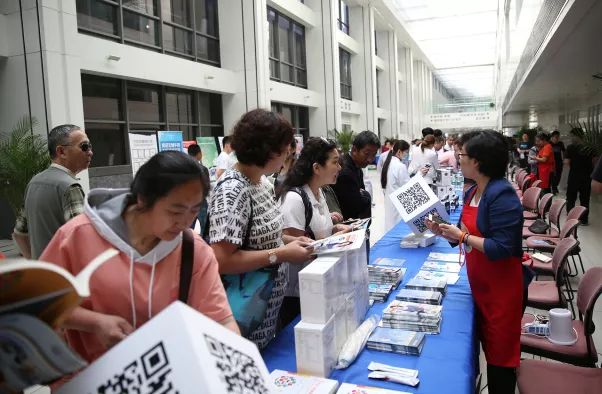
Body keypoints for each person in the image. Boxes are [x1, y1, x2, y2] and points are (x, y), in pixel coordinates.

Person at [39, 151, 238, 364]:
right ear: (143, 198)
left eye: (194, 211)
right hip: (88, 376)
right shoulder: (78, 236)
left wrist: (236, 360)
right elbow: (39, 302)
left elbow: (222, 320)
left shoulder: (193, 249)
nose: (185, 222)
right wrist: (94, 322)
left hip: (164, 376)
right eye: (175, 211)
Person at [426, 131, 526, 394]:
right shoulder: (473, 191)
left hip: (501, 291)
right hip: (481, 285)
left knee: (500, 361)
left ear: (478, 161)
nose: (459, 159)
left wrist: (463, 237)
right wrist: (445, 232)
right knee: (486, 348)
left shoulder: (501, 194)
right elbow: (464, 233)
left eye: (463, 155)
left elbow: (502, 247)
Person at [208, 109, 313, 349]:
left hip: (266, 311)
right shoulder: (233, 190)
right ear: (269, 151)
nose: (288, 157)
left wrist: (291, 242)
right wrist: (282, 254)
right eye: (286, 151)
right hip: (242, 314)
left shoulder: (262, 182)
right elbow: (222, 260)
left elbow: (266, 236)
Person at [277, 137, 351, 326]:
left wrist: (334, 228)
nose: (340, 167)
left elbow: (317, 231)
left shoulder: (319, 192)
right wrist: (335, 239)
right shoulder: (294, 199)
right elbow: (297, 251)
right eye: (335, 162)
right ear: (317, 168)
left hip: (319, 285)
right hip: (298, 295)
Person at [13, 124, 93, 259]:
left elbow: (19, 233)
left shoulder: (34, 182)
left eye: (90, 146)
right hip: (66, 275)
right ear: (61, 152)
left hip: (44, 274)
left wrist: (35, 263)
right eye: (84, 146)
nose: (90, 152)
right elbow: (82, 237)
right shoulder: (70, 186)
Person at [333, 130, 380, 219]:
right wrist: (366, 196)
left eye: (373, 155)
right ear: (354, 150)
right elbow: (355, 206)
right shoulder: (345, 171)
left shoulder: (356, 166)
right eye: (367, 154)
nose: (370, 160)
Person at [564, 128, 594, 225]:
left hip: (574, 176)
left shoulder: (570, 148)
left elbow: (567, 162)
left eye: (572, 136)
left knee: (571, 198)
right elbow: (595, 161)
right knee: (585, 199)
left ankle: (571, 219)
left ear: (577, 136)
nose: (571, 138)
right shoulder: (590, 147)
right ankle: (584, 220)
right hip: (587, 177)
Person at [380, 140, 411, 232]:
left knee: (390, 226)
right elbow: (408, 186)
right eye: (406, 152)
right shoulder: (400, 166)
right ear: (399, 152)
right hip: (398, 203)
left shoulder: (388, 163)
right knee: (397, 227)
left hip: (389, 199)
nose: (407, 155)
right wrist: (420, 175)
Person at [187, 143, 210, 234]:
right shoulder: (203, 169)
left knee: (188, 227)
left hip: (187, 202)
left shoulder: (183, 169)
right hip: (201, 201)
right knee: (205, 226)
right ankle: (203, 245)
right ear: (199, 154)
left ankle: (189, 244)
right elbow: (206, 187)